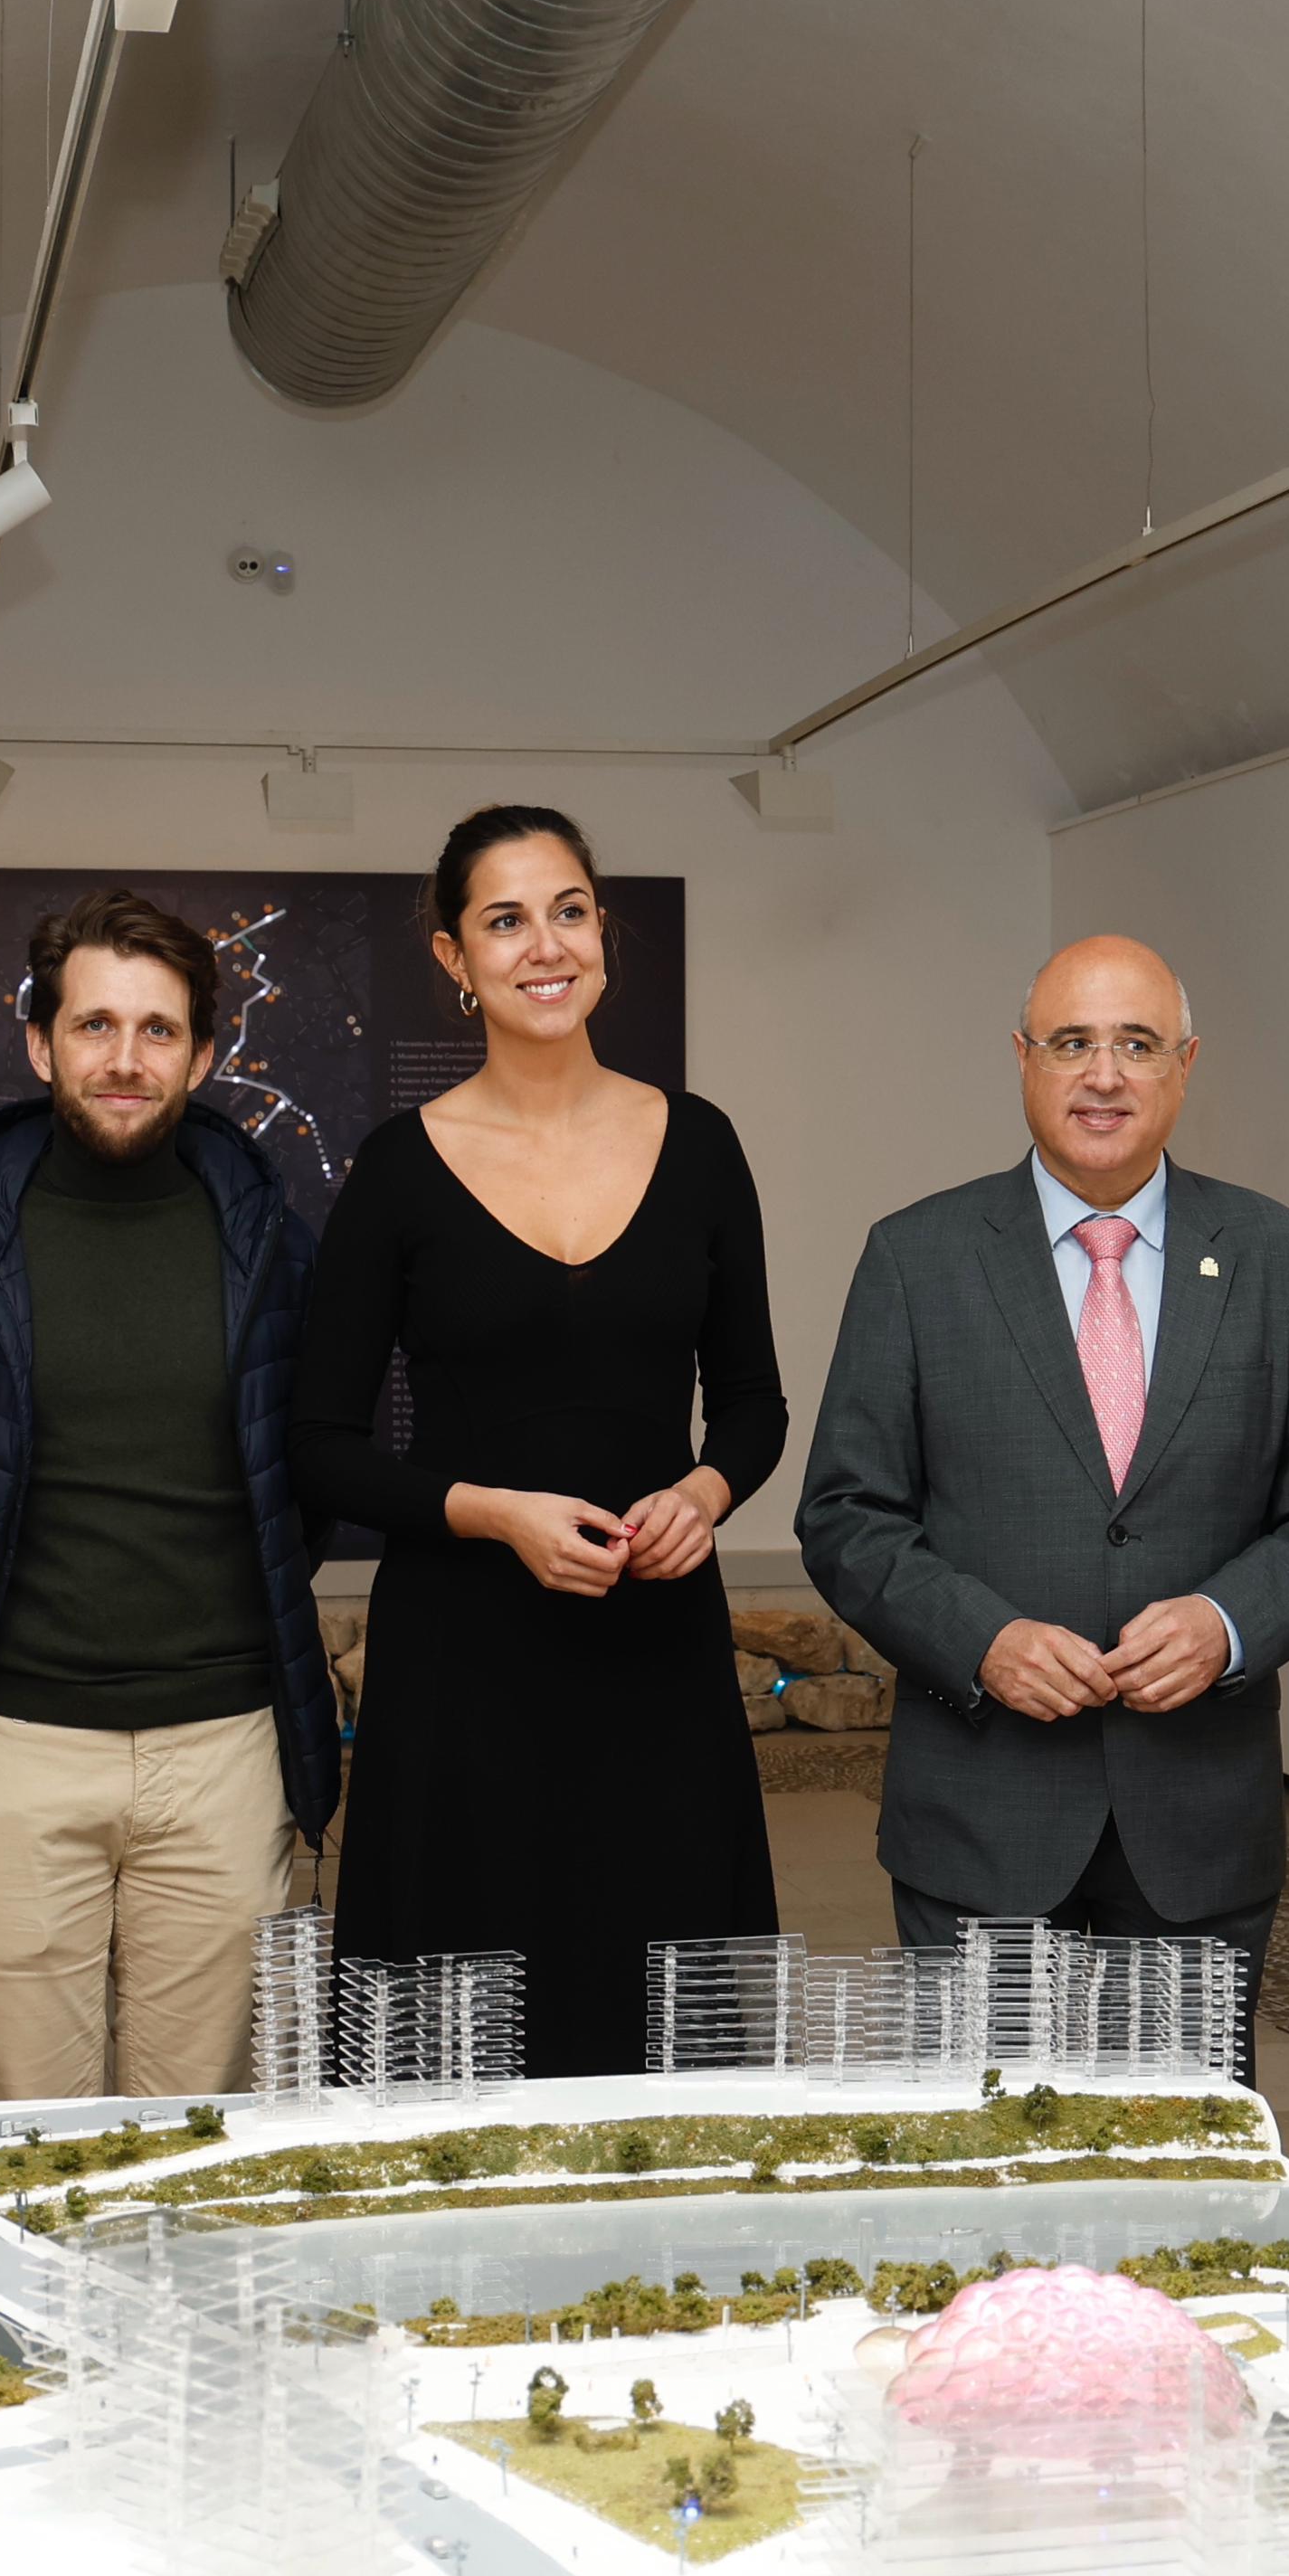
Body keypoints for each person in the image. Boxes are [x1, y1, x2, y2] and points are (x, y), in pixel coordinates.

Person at [798, 935, 1289, 2072]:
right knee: (988, 2153)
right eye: (1070, 1043)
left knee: (1179, 2158)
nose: (1102, 1074)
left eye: (1136, 1044)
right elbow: (846, 1515)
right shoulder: (916, 1257)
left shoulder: (1273, 1257)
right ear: (1021, 1058)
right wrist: (982, 1639)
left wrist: (1224, 1623)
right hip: (981, 1820)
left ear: (1184, 1066)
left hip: (1195, 1827)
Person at [294, 806, 784, 2075]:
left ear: (602, 930)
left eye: (568, 911)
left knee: (661, 2035)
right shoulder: (398, 1168)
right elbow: (322, 1444)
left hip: (656, 1655)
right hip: (461, 1671)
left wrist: (703, 1492)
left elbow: (753, 1404)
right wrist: (493, 1512)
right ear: (454, 957)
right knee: (458, 2042)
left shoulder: (702, 1142)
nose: (545, 945)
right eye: (504, 920)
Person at [0, 887, 344, 2098]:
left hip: (225, 1749)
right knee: (27, 2136)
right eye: (94, 1025)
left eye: (158, 1029)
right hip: (10, 1748)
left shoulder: (275, 1248)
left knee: (192, 2130)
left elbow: (308, 1481)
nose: (125, 1058)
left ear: (204, 1056)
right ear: (39, 1043)